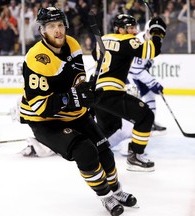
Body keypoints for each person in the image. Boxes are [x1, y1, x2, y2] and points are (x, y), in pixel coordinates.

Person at [19, 7, 137, 216]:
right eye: (51, 26)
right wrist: (73, 97)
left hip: (73, 112)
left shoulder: (72, 43)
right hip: (45, 120)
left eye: (60, 25)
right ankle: (105, 196)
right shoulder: (37, 59)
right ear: (42, 31)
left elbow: (77, 81)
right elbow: (39, 106)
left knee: (105, 151)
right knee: (85, 151)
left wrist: (87, 97)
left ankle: (116, 191)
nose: (58, 30)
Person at [93, 14, 167, 172]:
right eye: (130, 28)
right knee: (146, 116)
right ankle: (135, 157)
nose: (134, 31)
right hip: (111, 92)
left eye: (135, 28)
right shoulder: (126, 40)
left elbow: (95, 55)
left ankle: (90, 151)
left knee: (109, 127)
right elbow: (152, 50)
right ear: (120, 30)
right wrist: (157, 31)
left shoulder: (103, 39)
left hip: (97, 93)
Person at [127, 27, 166, 132]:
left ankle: (151, 122)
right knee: (135, 99)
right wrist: (153, 83)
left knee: (150, 95)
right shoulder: (140, 39)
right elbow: (136, 69)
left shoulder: (152, 43)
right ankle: (132, 125)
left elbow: (145, 64)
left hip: (139, 75)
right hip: (131, 76)